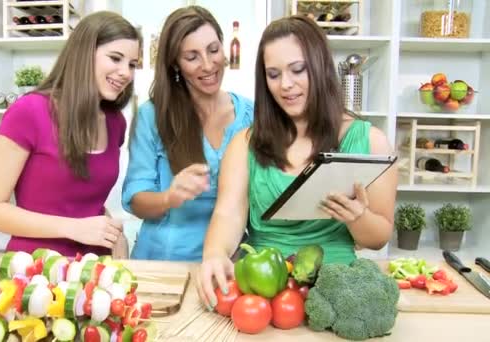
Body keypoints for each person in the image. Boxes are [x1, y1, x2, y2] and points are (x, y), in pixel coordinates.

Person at [196, 15, 398, 308]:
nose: (285, 85)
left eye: (297, 70)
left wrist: (357, 217)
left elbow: (379, 237)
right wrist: (214, 254)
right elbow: (228, 215)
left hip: (337, 289)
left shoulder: (371, 141)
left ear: (320, 67)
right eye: (273, 74)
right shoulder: (244, 143)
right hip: (263, 287)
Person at [0, 11, 141, 258]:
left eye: (131, 64)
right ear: (84, 54)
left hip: (95, 267)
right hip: (36, 271)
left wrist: (116, 238)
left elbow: (84, 200)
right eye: (115, 58)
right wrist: (73, 228)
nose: (126, 72)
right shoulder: (29, 112)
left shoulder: (115, 122)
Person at [121, 6, 254, 261]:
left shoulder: (251, 115)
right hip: (164, 261)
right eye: (192, 57)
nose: (208, 64)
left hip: (231, 264)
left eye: (213, 50)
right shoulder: (153, 115)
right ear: (175, 64)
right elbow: (136, 200)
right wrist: (169, 197)